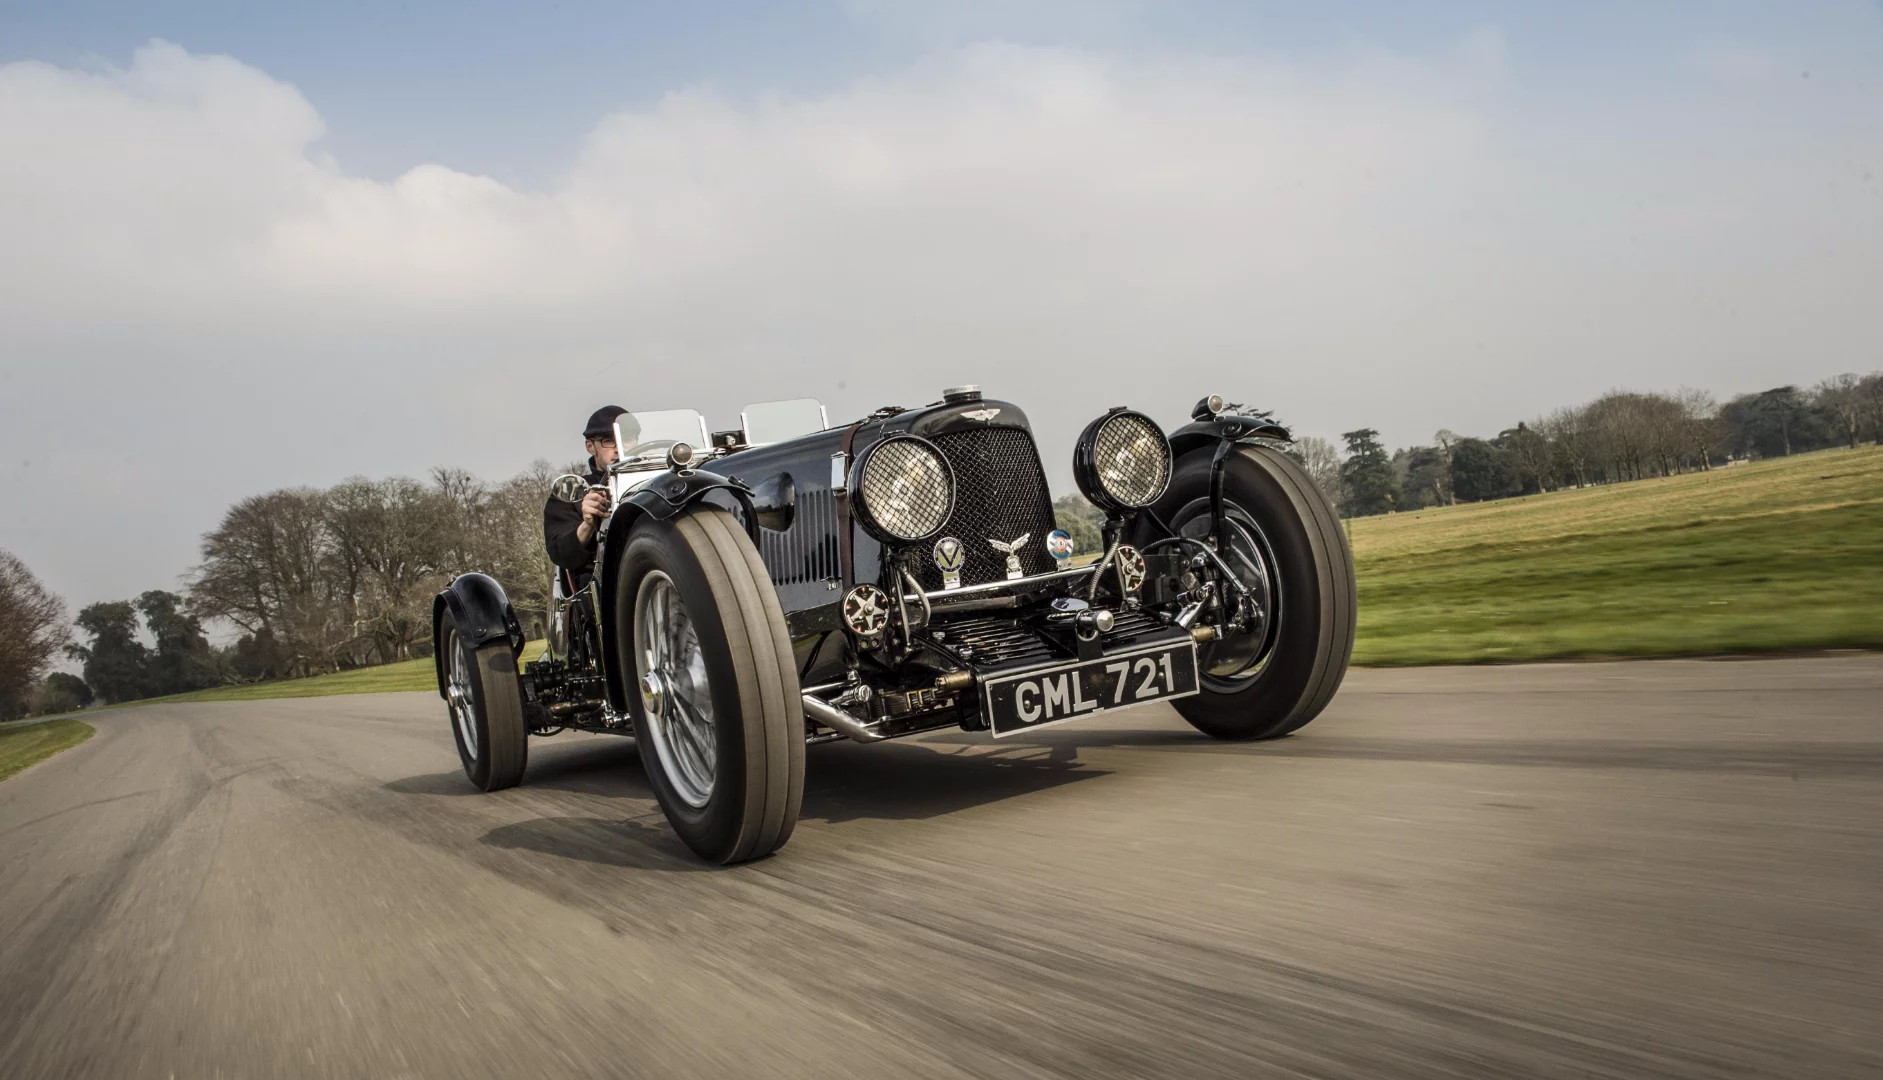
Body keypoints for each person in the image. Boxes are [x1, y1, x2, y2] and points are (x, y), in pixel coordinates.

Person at [544, 405, 639, 574]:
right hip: (604, 581)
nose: (618, 448)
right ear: (590, 446)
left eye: (626, 439)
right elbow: (562, 555)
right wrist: (588, 524)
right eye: (608, 441)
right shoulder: (572, 492)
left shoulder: (655, 484)